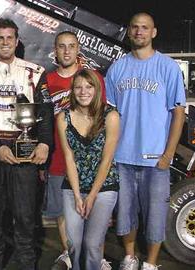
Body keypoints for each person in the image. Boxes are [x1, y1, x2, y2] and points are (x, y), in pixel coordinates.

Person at [0, 18, 53, 270]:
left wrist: (45, 144)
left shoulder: (35, 73)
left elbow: (46, 113)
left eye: (9, 38)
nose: (5, 42)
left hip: (24, 154)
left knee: (26, 218)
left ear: (17, 41)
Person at [105, 12, 186, 270]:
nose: (139, 32)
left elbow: (179, 113)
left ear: (153, 32)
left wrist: (167, 155)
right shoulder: (118, 68)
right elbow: (109, 114)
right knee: (125, 214)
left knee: (155, 216)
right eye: (135, 27)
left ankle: (151, 263)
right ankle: (130, 257)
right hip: (122, 157)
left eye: (144, 28)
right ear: (129, 31)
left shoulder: (168, 67)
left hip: (156, 160)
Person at [42, 30, 109, 270]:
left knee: (93, 209)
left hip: (90, 160)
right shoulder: (46, 81)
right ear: (55, 49)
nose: (67, 51)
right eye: (62, 46)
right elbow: (42, 122)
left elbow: (104, 120)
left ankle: (95, 255)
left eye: (71, 46)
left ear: (78, 48)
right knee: (64, 212)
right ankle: (69, 254)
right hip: (59, 158)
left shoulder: (94, 79)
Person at [57, 69, 119, 270]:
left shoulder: (111, 115)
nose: (83, 91)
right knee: (74, 243)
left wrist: (91, 196)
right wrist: (77, 195)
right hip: (73, 186)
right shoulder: (63, 117)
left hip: (103, 187)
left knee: (92, 244)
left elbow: (107, 160)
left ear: (97, 89)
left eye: (88, 86)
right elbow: (69, 157)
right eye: (78, 87)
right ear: (72, 91)